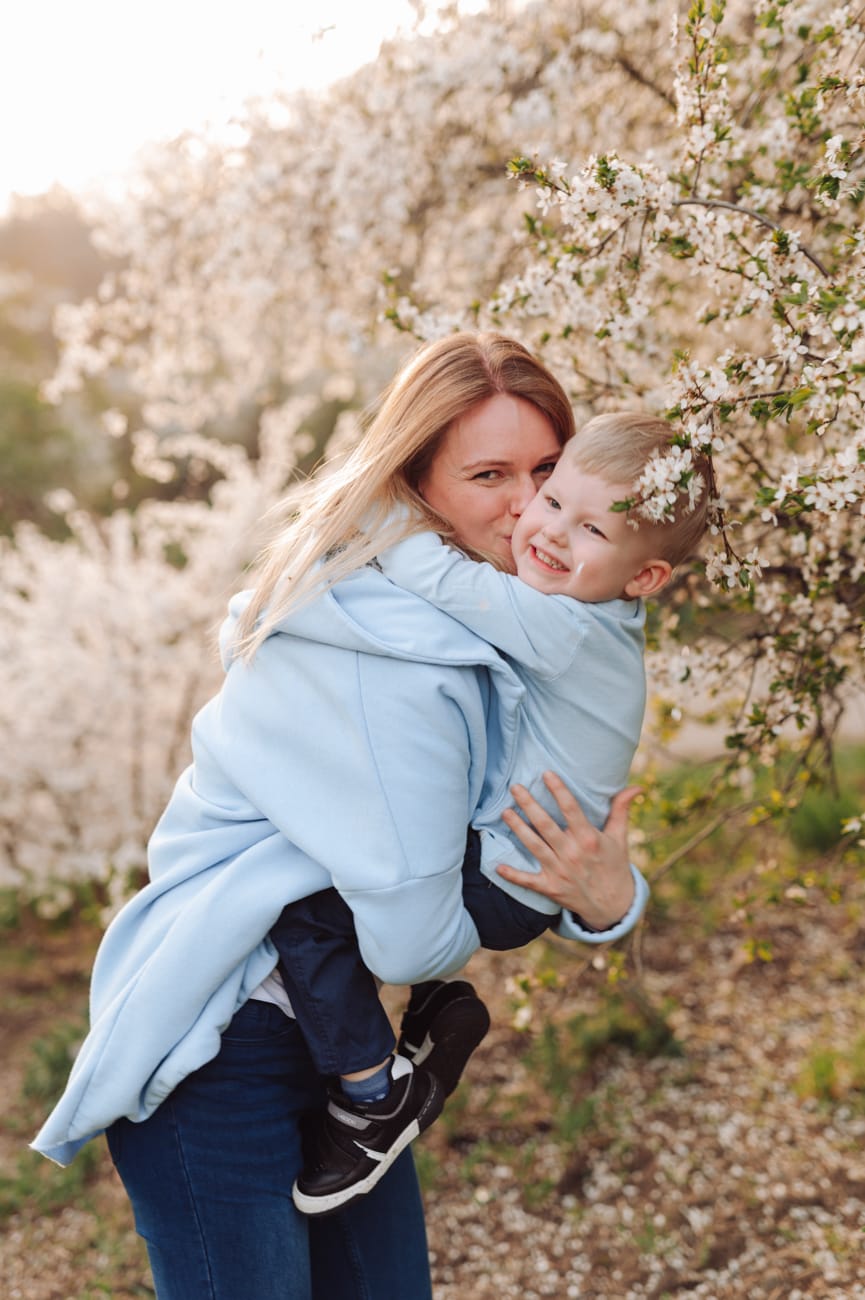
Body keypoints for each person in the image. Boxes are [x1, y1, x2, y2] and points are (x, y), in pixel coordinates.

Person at [33, 332, 647, 1300]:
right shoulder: (382, 651)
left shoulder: (505, 617)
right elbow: (408, 929)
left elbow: (541, 824)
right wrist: (473, 947)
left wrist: (607, 897)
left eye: (547, 470)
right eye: (489, 474)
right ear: (415, 483)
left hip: (337, 1045)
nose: (530, 504)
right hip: (224, 1040)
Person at [275, 412, 710, 1216]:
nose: (542, 528)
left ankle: (372, 1096)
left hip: (509, 877)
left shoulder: (566, 628)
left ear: (643, 576)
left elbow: (441, 582)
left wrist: (377, 499)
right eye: (551, 500)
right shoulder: (594, 617)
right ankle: (441, 1010)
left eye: (588, 529)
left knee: (306, 916)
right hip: (517, 873)